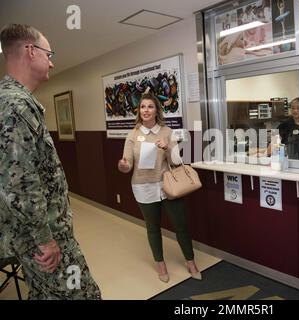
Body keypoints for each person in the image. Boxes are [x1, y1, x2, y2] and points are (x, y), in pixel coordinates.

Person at [0, 24, 101, 299]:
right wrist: (45, 239)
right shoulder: (15, 105)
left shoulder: (15, 101)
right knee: (84, 295)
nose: (52, 62)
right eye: (49, 54)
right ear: (30, 51)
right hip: (45, 242)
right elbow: (18, 185)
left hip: (34, 237)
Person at [117, 93, 201, 283]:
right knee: (153, 228)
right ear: (139, 111)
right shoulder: (133, 135)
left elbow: (177, 161)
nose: (145, 110)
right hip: (143, 187)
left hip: (168, 185)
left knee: (181, 225)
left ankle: (190, 262)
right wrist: (123, 165)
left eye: (150, 107)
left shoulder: (166, 131)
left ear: (156, 110)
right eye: (142, 107)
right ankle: (161, 265)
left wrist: (169, 148)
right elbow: (127, 163)